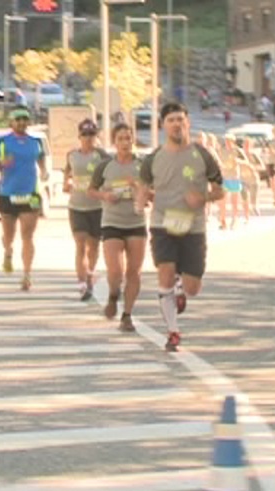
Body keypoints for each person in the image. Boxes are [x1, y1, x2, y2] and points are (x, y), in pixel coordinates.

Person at [136, 102, 224, 352]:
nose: (176, 124)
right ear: (163, 126)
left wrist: (203, 198)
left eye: (180, 120)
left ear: (188, 123)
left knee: (193, 288)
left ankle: (180, 288)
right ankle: (173, 331)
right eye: (171, 120)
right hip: (162, 225)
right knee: (164, 272)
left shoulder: (203, 155)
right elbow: (143, 188)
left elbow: (220, 190)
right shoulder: (153, 159)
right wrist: (141, 200)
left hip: (193, 227)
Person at [0, 107, 49, 291]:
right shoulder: (2, 142)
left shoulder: (35, 142)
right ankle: (8, 250)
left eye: (25, 119)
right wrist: (0, 163)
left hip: (30, 193)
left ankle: (27, 275)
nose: (21, 122)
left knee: (28, 236)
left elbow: (41, 158)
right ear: (11, 122)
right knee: (9, 235)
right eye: (17, 119)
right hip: (7, 193)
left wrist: (43, 171)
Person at [89, 123, 147, 332]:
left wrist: (138, 189)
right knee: (116, 270)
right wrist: (105, 195)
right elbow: (91, 190)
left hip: (136, 223)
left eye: (128, 138)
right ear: (114, 142)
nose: (125, 143)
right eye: (121, 139)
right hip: (112, 221)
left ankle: (127, 315)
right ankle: (114, 295)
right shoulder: (105, 166)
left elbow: (154, 194)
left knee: (134, 272)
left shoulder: (143, 166)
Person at [62, 118, 110, 301]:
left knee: (93, 245)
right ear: (79, 136)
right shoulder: (72, 155)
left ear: (96, 137)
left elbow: (112, 172)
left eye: (92, 135)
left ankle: (90, 273)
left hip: (96, 207)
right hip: (77, 206)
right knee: (80, 243)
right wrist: (66, 183)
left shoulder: (102, 155)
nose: (88, 138)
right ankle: (81, 283)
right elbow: (67, 172)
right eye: (85, 135)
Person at [216, 135, 246, 229]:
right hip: (224, 177)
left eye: (229, 141)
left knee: (234, 201)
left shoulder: (237, 150)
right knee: (222, 200)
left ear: (233, 141)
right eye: (226, 140)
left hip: (234, 178)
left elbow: (246, 161)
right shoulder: (222, 150)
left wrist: (238, 161)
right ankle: (223, 220)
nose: (227, 142)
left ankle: (234, 219)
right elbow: (218, 160)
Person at [238, 137, 264, 216]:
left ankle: (254, 207)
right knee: (244, 196)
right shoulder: (240, 155)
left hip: (253, 180)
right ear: (242, 145)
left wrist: (253, 167)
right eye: (245, 145)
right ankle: (246, 213)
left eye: (248, 145)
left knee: (253, 199)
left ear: (251, 146)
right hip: (243, 180)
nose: (246, 146)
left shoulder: (254, 155)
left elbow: (262, 166)